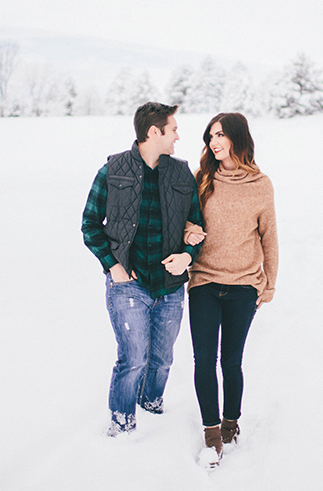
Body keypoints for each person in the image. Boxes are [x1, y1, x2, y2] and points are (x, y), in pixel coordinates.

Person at [81, 102, 204, 436]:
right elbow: (90, 224)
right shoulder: (113, 170)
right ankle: (122, 425)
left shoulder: (181, 173)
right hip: (128, 284)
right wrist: (113, 266)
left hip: (170, 285)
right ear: (154, 132)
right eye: (173, 129)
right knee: (133, 358)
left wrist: (187, 255)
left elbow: (197, 226)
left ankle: (152, 409)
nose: (178, 136)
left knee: (162, 361)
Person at [184, 112, 278, 462]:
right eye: (211, 136)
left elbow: (269, 237)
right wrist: (188, 232)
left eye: (220, 135)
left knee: (231, 361)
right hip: (204, 281)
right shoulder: (203, 179)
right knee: (204, 360)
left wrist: (269, 284)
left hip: (243, 286)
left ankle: (230, 423)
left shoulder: (261, 185)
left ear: (238, 138)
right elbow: (186, 222)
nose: (214, 142)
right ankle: (211, 433)